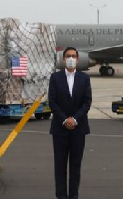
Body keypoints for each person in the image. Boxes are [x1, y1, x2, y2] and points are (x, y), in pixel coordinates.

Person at [48, 47, 92, 199]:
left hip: (79, 129)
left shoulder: (84, 78)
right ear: (63, 59)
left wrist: (75, 119)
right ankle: (61, 196)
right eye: (68, 56)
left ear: (78, 59)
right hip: (60, 129)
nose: (71, 59)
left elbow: (87, 102)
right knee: (60, 166)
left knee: (75, 166)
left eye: (73, 56)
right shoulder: (55, 77)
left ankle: (73, 195)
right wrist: (65, 119)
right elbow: (52, 102)